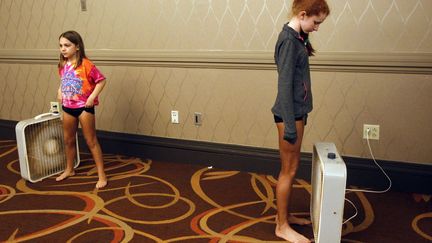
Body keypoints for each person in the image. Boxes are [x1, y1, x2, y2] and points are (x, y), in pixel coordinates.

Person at [271, 0, 330, 242]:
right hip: (289, 115)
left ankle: (284, 217)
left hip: (296, 113)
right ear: (303, 14)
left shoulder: (297, 37)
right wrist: (289, 127)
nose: (317, 28)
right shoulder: (288, 41)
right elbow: (284, 87)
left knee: (291, 169)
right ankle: (281, 227)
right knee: (289, 170)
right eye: (316, 22)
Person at [55, 30, 108, 189]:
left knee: (91, 141)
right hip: (68, 106)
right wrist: (59, 90)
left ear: (77, 47)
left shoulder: (86, 64)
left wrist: (92, 98)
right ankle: (69, 169)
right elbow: (65, 80)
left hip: (84, 107)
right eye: (61, 46)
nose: (63, 49)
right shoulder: (62, 64)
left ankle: (102, 175)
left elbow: (101, 81)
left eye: (67, 45)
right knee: (68, 140)